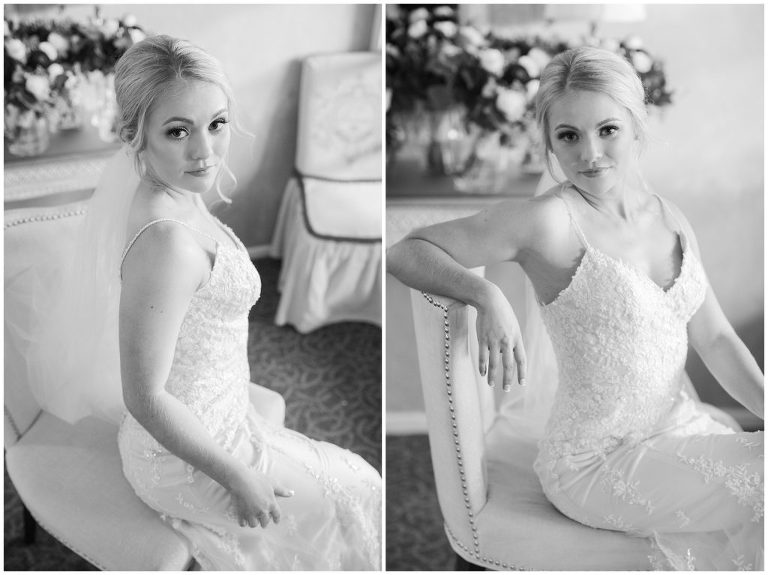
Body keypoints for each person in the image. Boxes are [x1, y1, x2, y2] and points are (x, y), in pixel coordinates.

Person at [387, 46, 763, 570]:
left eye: (607, 129)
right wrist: (485, 294)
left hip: (677, 428)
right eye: (569, 136)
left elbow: (715, 337)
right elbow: (406, 251)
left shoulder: (670, 217)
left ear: (637, 126)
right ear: (550, 144)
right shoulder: (551, 222)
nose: (590, 154)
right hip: (595, 463)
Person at [36, 35, 381, 570]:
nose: (205, 151)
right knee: (361, 486)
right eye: (178, 131)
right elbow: (145, 397)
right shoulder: (167, 242)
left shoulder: (179, 189)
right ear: (135, 135)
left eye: (216, 123)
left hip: (221, 408)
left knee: (353, 488)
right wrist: (237, 475)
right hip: (184, 458)